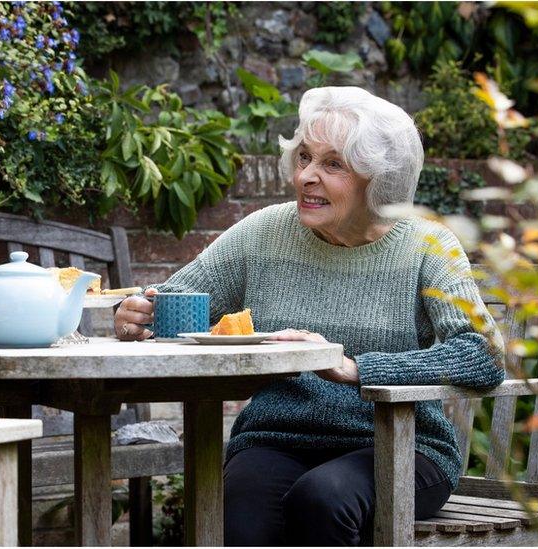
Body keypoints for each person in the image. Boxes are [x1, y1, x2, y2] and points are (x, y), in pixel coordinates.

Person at [114, 86, 506, 546]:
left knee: (321, 499)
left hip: (399, 446)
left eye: (332, 164)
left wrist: (357, 368)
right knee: (237, 506)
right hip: (278, 436)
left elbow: (482, 355)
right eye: (304, 157)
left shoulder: (428, 246)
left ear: (378, 179)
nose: (306, 176)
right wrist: (140, 311)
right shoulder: (264, 232)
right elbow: (180, 296)